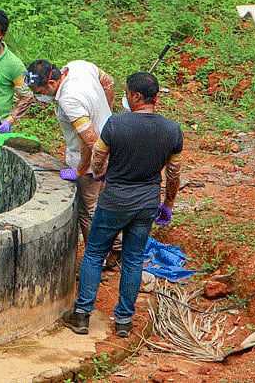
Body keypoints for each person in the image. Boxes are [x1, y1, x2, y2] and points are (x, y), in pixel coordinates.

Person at [61, 72, 183, 338]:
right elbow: (173, 174)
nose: (125, 97)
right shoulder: (172, 130)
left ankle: (82, 315)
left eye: (127, 93)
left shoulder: (115, 125)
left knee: (94, 253)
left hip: (115, 199)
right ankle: (124, 321)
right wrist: (168, 204)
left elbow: (98, 157)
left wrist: (100, 173)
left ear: (136, 96)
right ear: (156, 98)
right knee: (133, 258)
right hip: (147, 202)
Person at [23, 59, 121, 258]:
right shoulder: (78, 66)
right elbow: (108, 82)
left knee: (88, 210)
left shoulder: (69, 99)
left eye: (39, 91)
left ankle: (101, 257)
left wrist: (83, 170)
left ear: (51, 84)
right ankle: (116, 247)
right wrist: (109, 118)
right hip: (111, 146)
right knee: (106, 201)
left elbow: (90, 142)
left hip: (93, 160)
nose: (38, 96)